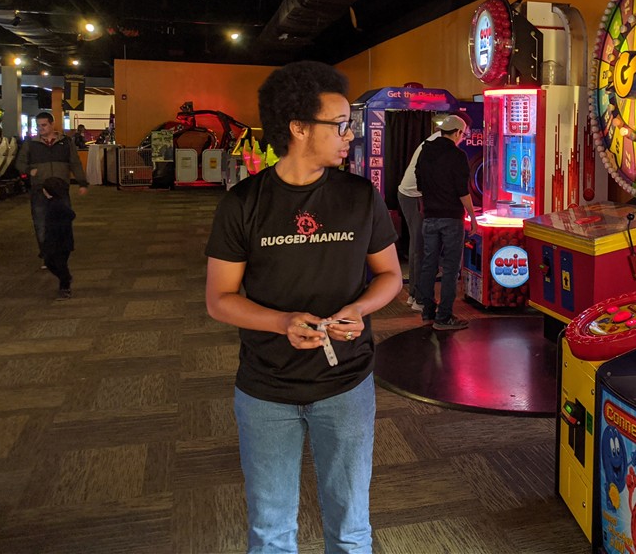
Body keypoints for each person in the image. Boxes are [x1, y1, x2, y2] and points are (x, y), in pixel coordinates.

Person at [204, 60, 401, 554]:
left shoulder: (360, 196)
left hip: (347, 385)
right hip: (266, 388)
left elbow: (390, 276)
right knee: (271, 532)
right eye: (339, 125)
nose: (349, 136)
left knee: (351, 529)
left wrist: (360, 309)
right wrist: (281, 322)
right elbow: (219, 300)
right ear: (298, 128)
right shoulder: (243, 204)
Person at [414, 114, 477, 330]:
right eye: (463, 135)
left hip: (429, 216)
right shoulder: (457, 155)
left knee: (429, 264)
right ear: (458, 133)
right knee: (450, 267)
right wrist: (473, 216)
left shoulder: (425, 150)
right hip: (451, 218)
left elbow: (419, 184)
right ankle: (444, 317)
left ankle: (427, 311)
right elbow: (462, 191)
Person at [15, 111, 88, 262]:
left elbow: (75, 163)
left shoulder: (65, 142)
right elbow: (19, 163)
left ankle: (62, 251)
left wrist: (82, 182)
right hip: (39, 189)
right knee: (41, 222)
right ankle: (47, 254)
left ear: (52, 124)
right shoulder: (31, 144)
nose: (40, 128)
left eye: (44, 125)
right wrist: (29, 170)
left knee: (64, 221)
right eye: (38, 126)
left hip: (60, 189)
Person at [396, 127, 442, 312]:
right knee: (421, 247)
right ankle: (419, 299)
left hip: (409, 195)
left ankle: (414, 295)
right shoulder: (437, 144)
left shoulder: (433, 141)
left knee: (417, 246)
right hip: (414, 197)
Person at [41, 176, 76, 300]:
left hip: (60, 241)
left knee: (59, 264)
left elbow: (71, 215)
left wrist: (60, 226)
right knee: (50, 262)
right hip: (56, 240)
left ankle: (65, 285)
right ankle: (65, 279)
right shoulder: (52, 203)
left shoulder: (56, 204)